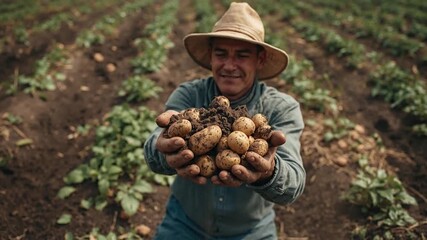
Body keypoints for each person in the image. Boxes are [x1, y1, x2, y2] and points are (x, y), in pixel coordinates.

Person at [143, 2, 305, 239]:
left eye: (242, 55)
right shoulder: (189, 96)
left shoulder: (280, 109)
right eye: (221, 54)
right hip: (185, 222)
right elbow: (152, 150)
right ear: (210, 56)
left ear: (260, 60)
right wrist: (162, 147)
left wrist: (269, 172)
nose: (229, 65)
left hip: (251, 230)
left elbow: (294, 185)